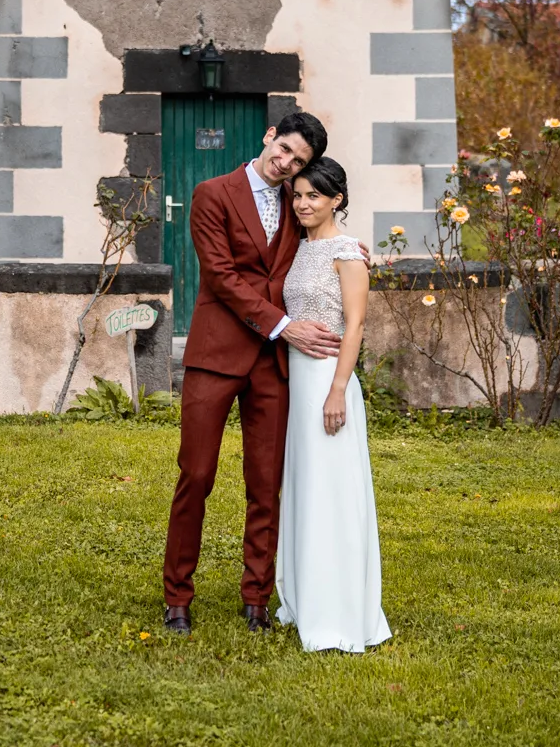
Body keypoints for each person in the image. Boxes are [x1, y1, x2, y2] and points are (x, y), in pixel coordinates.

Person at [162, 110, 343, 635]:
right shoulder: (211, 193)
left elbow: (319, 247)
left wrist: (352, 261)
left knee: (266, 484)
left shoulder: (298, 202)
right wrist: (283, 325)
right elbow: (219, 276)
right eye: (284, 149)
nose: (285, 164)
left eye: (298, 161)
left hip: (272, 367)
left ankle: (257, 598)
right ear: (269, 137)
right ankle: (177, 596)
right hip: (217, 353)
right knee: (196, 475)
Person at [274, 157, 391, 652]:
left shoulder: (347, 252)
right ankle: (301, 595)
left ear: (336, 200)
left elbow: (356, 325)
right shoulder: (298, 247)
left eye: (313, 197)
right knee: (304, 489)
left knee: (334, 493)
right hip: (297, 384)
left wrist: (338, 389)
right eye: (297, 195)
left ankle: (339, 612)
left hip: (328, 383)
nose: (302, 204)